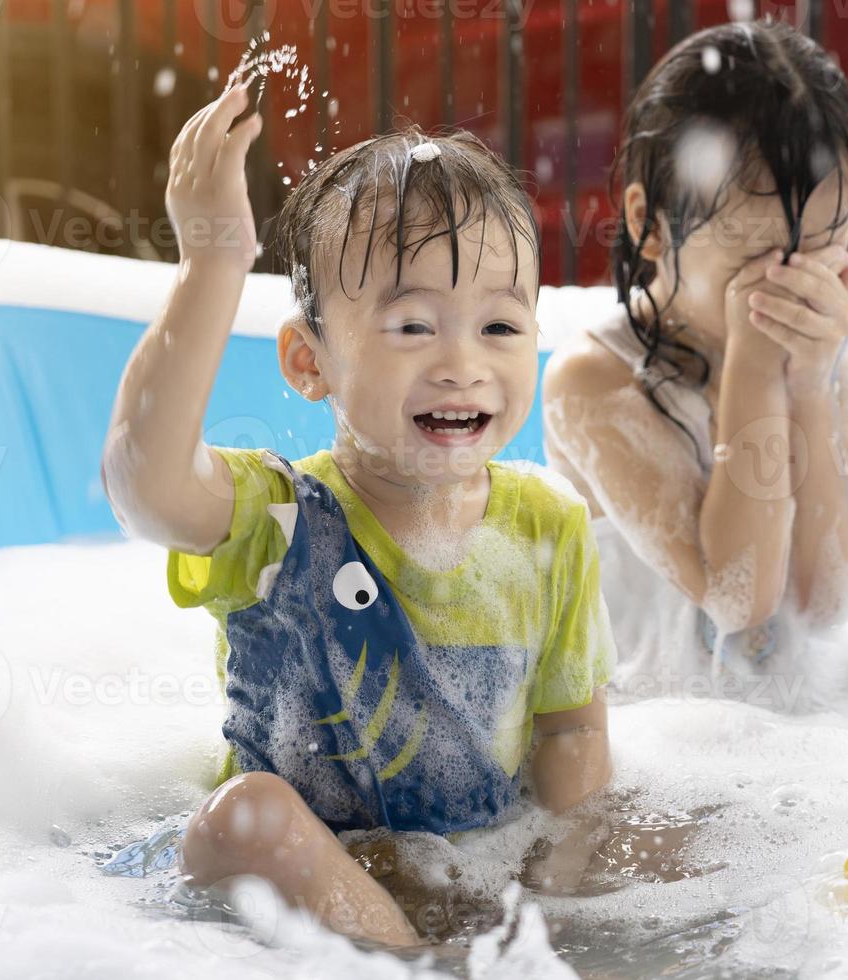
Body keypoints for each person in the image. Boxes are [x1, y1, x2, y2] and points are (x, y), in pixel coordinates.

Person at [100, 80, 616, 947]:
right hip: (297, 885)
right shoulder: (277, 521)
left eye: (498, 326)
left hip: (467, 871)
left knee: (675, 830)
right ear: (309, 362)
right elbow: (144, 484)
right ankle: (415, 970)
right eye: (413, 326)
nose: (462, 364)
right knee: (248, 818)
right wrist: (213, 260)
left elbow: (571, 736)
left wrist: (555, 910)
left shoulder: (546, 528)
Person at [541, 20, 848, 682]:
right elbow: (738, 597)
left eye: (818, 249)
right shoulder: (595, 383)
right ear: (645, 223)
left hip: (777, 714)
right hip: (639, 723)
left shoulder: (844, 356)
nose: (790, 281)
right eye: (756, 255)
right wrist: (755, 373)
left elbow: (824, 604)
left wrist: (809, 388)